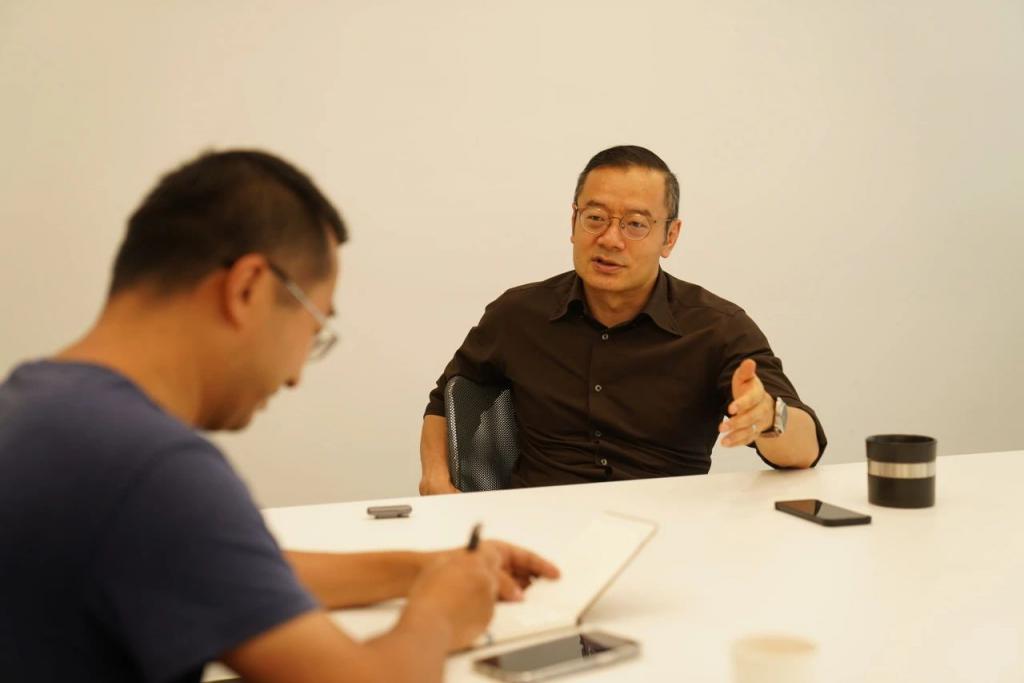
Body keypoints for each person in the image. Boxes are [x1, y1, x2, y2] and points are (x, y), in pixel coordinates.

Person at [0, 150, 559, 683]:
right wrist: (439, 614)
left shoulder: (35, 404)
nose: (294, 377)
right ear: (246, 288)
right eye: (314, 330)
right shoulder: (154, 470)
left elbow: (224, 567)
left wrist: (429, 569)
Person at [420, 145, 826, 494]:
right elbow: (446, 396)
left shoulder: (717, 328)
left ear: (670, 237)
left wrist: (770, 417)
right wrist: (435, 478)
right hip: (536, 523)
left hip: (667, 526)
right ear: (573, 222)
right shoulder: (519, 314)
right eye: (595, 218)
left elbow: (805, 450)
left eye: (635, 224)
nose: (610, 239)